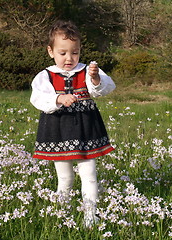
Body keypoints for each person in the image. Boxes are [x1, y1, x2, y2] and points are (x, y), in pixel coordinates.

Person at [30, 20, 116, 228]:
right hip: (58, 129)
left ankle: (90, 215)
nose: (69, 58)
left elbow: (106, 88)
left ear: (80, 51)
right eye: (63, 53)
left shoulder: (88, 70)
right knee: (65, 177)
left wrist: (95, 79)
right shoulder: (45, 76)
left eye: (74, 53)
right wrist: (58, 99)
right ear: (50, 51)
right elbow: (37, 98)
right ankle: (63, 213)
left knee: (89, 174)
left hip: (86, 128)